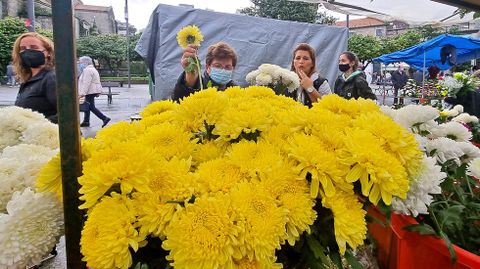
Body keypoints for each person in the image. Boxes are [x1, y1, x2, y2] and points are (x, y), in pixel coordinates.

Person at [12, 32, 57, 122]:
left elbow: (67, 114)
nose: (27, 51)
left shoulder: (51, 77)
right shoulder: (28, 79)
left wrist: (34, 127)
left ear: (48, 52)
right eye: (23, 49)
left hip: (47, 134)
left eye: (34, 47)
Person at [173, 41, 237, 101]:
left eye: (228, 67)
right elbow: (180, 100)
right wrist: (190, 76)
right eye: (218, 66)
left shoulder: (237, 92)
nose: (223, 70)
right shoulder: (200, 88)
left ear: (233, 69)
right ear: (207, 67)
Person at [285, 43, 331, 107]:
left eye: (305, 58)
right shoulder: (286, 81)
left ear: (312, 63)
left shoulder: (321, 83)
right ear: (293, 62)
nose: (301, 61)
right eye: (298, 58)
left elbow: (328, 108)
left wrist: (310, 89)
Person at [77, 56, 110, 128]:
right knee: (87, 106)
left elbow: (86, 83)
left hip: (90, 91)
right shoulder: (92, 69)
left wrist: (82, 93)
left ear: (85, 62)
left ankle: (104, 118)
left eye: (81, 62)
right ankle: (86, 121)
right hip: (92, 91)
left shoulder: (87, 70)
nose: (80, 64)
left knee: (90, 107)